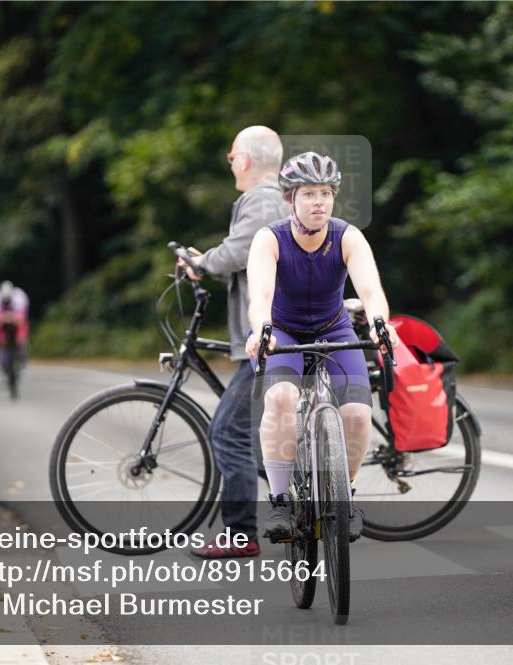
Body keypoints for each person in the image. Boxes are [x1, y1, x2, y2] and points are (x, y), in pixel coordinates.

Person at [245, 152, 399, 542]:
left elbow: (370, 290)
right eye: (309, 193)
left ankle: (345, 497)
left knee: (358, 415)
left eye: (326, 193)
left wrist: (381, 324)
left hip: (335, 329)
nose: (319, 201)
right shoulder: (270, 239)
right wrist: (260, 331)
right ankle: (280, 501)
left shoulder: (347, 236)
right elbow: (260, 296)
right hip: (284, 332)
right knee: (280, 399)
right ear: (289, 199)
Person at [179, 126, 289, 558]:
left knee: (228, 431)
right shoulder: (273, 197)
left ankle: (240, 534)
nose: (230, 163)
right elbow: (247, 259)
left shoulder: (262, 198)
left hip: (269, 336)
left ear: (243, 159)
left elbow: (240, 249)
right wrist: (206, 262)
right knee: (255, 431)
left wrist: (202, 261)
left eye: (231, 156)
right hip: (273, 332)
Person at [0, 280, 30, 375]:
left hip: (17, 321)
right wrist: (8, 318)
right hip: (2, 323)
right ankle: (2, 365)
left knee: (21, 339)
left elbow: (21, 318)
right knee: (1, 342)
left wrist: (8, 318)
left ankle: (22, 362)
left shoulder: (20, 296)